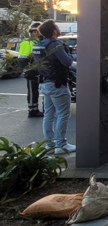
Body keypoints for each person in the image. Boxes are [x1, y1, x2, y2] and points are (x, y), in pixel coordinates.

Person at [32, 20, 76, 155]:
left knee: (48, 115)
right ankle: (61, 144)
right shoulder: (55, 44)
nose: (58, 28)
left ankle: (49, 144)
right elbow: (67, 62)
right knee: (63, 114)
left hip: (45, 83)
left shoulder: (39, 45)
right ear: (54, 31)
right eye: (56, 27)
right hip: (57, 84)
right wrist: (70, 55)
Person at [19, 22, 43, 118]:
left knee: (41, 91)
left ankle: (38, 109)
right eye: (34, 31)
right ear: (30, 32)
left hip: (41, 70)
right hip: (32, 71)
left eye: (38, 31)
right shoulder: (27, 43)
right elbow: (22, 59)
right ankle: (32, 111)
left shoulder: (40, 42)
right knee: (33, 91)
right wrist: (27, 70)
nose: (36, 33)